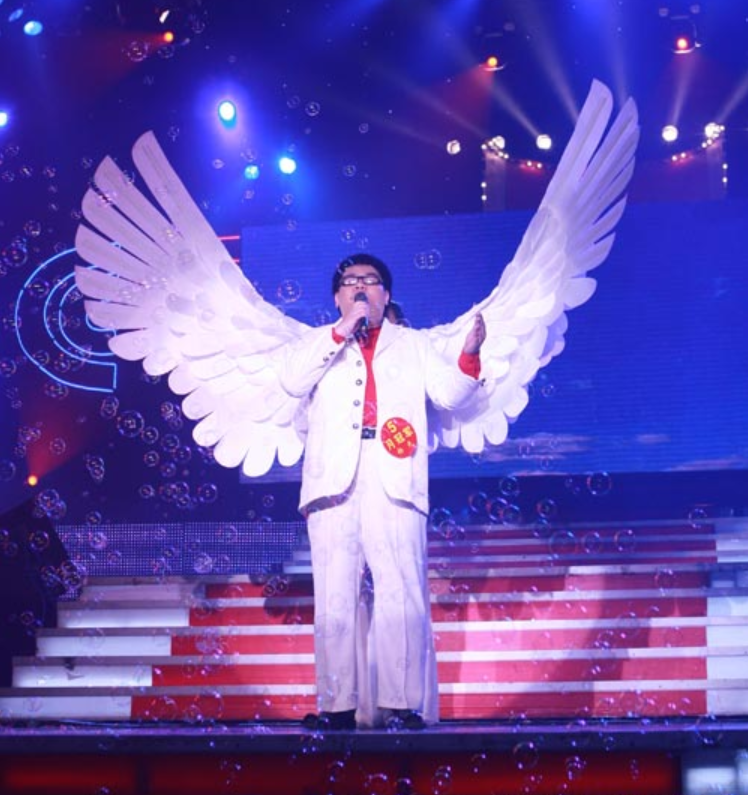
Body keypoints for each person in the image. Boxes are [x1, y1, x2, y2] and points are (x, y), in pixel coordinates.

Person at [274, 253, 486, 731]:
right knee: (335, 595)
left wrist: (469, 354)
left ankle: (401, 705)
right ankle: (337, 707)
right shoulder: (317, 343)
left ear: (386, 294)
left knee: (400, 592)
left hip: (394, 473)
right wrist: (340, 331)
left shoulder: (413, 344)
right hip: (333, 479)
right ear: (338, 297)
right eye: (351, 281)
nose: (361, 287)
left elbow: (450, 393)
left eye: (371, 281)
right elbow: (291, 380)